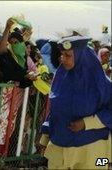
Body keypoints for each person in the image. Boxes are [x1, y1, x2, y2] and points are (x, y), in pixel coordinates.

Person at [40, 36, 112, 169]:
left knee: (102, 164)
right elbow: (56, 109)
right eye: (62, 55)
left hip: (93, 152)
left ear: (81, 57)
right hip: (60, 145)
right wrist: (45, 137)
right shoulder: (61, 78)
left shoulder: (102, 84)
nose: (63, 59)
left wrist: (86, 123)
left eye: (67, 55)